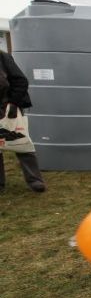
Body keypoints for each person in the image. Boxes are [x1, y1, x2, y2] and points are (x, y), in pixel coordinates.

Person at [0, 50, 46, 193]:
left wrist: (13, 103)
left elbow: (20, 80)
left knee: (21, 142)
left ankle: (35, 181)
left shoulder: (2, 57)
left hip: (7, 106)